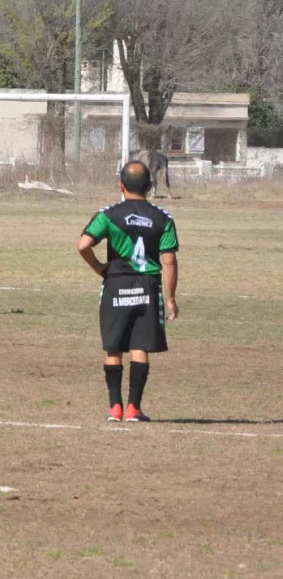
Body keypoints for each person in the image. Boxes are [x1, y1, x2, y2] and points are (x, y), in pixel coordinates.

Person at [77, 161, 179, 423]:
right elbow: (168, 261)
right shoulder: (163, 218)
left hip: (116, 285)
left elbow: (82, 245)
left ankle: (115, 408)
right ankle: (134, 408)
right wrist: (170, 299)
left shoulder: (109, 214)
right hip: (148, 286)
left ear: (121, 186)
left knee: (113, 346)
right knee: (139, 345)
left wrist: (100, 267)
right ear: (149, 186)